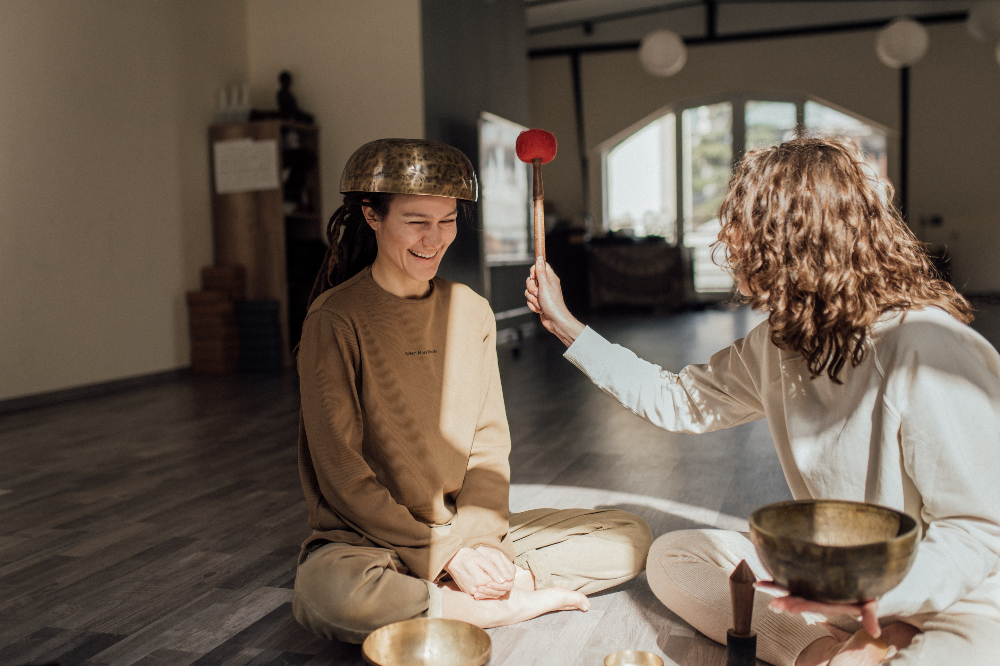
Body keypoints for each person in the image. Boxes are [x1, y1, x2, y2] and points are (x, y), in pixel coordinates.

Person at [526, 136, 1000, 665]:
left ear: (796, 238)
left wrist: (876, 598)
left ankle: (875, 644)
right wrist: (570, 329)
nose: (730, 245)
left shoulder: (929, 346)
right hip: (834, 589)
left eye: (745, 229)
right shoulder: (777, 343)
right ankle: (826, 652)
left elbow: (978, 532)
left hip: (950, 600)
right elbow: (679, 399)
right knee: (675, 557)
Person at [292, 138, 652, 644]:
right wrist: (446, 554)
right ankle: (500, 604)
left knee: (629, 537)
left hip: (466, 530)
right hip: (372, 542)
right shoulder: (334, 319)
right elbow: (343, 475)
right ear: (372, 217)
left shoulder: (472, 311)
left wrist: (478, 544)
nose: (435, 239)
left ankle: (454, 601)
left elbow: (488, 446)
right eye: (416, 221)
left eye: (448, 220)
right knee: (325, 593)